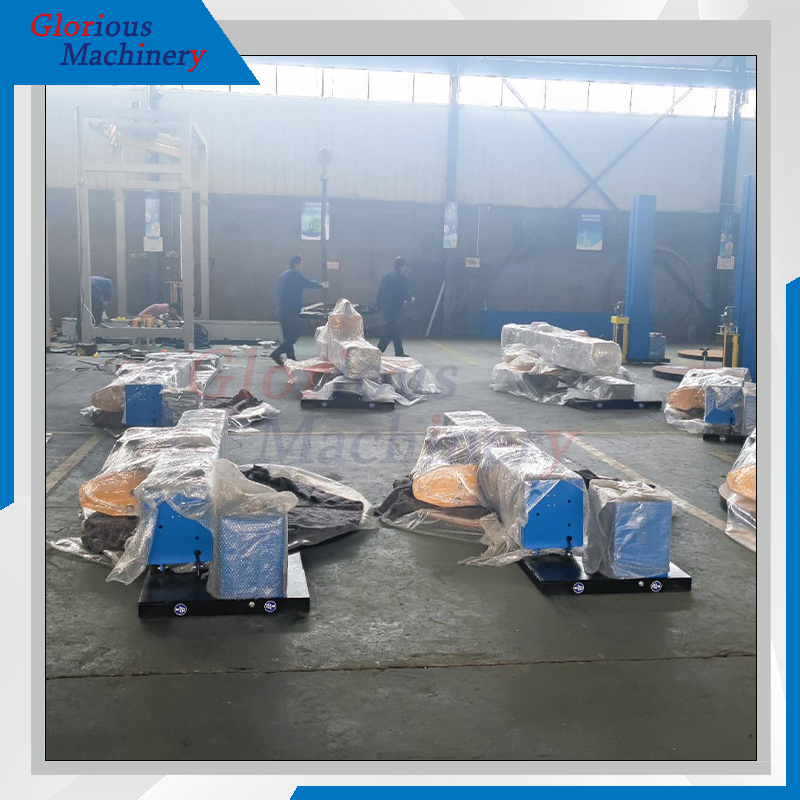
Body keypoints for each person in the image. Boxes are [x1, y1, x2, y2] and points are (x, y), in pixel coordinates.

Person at [269, 255, 329, 365]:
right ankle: (276, 354)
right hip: (289, 310)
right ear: (297, 264)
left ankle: (291, 359)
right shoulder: (295, 275)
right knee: (295, 334)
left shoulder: (284, 275)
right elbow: (307, 282)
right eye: (301, 264)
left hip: (282, 310)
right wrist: (321, 285)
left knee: (288, 336)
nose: (302, 266)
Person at [376, 256, 413, 357]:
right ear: (402, 266)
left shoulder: (386, 276)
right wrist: (409, 299)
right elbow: (403, 291)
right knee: (392, 329)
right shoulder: (401, 277)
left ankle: (399, 352)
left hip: (386, 307)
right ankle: (378, 351)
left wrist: (378, 304)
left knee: (394, 328)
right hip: (395, 307)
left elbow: (380, 290)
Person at [76, 275, 114, 341]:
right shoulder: (109, 281)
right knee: (97, 318)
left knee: (81, 317)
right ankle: (98, 337)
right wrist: (104, 304)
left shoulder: (97, 279)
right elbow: (107, 295)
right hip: (93, 294)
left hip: (81, 295)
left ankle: (80, 338)